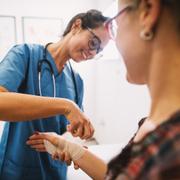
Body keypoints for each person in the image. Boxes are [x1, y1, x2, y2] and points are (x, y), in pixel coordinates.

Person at [27, 0, 180, 179]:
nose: (92, 54)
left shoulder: (170, 146)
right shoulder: (151, 128)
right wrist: (72, 149)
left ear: (147, 12)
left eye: (116, 25)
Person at [0, 10, 110, 180]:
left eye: (99, 51)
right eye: (94, 43)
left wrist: (67, 144)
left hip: (55, 172)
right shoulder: (24, 55)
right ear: (77, 26)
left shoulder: (76, 81)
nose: (92, 53)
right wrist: (66, 106)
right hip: (17, 170)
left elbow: (72, 132)